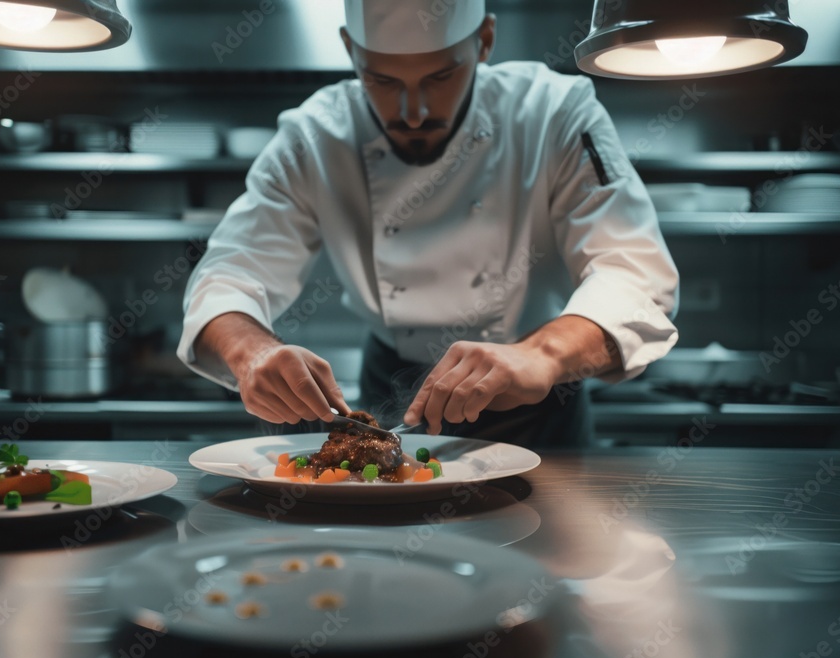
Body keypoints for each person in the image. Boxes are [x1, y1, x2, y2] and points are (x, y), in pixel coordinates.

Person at [178, 0, 679, 448]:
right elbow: (228, 276)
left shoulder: (553, 113)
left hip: (535, 402)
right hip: (391, 399)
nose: (413, 113)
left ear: (484, 41)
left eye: (440, 78)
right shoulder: (314, 137)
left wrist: (542, 355)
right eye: (383, 81)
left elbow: (634, 274)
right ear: (350, 50)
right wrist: (251, 353)